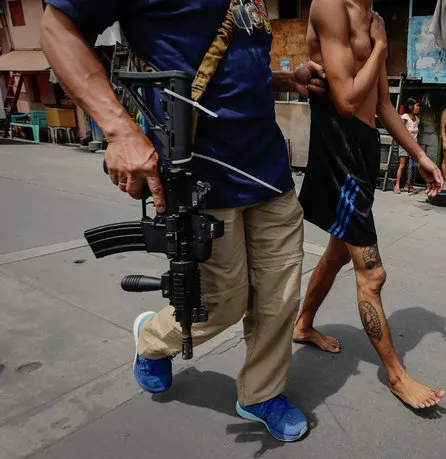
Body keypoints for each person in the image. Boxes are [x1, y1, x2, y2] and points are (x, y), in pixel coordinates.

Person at [41, 0, 328, 443]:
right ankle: (153, 338)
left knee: (280, 297)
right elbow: (57, 26)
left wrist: (281, 78)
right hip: (198, 176)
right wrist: (119, 130)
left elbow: (223, 61)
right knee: (221, 303)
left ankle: (260, 395)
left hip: (269, 171)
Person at [295, 0, 446, 410]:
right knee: (372, 274)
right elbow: (344, 101)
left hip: (363, 149)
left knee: (337, 253)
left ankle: (303, 325)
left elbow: (381, 105)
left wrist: (420, 156)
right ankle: (396, 377)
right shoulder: (330, 7)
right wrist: (379, 48)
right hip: (338, 150)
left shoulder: (375, 18)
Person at [395, 98, 421, 194]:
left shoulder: (417, 119)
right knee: (402, 165)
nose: (418, 108)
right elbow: (401, 129)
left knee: (410, 166)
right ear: (411, 107)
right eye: (417, 106)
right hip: (404, 144)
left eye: (418, 106)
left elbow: (416, 134)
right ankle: (397, 185)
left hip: (413, 145)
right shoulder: (405, 117)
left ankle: (407, 185)